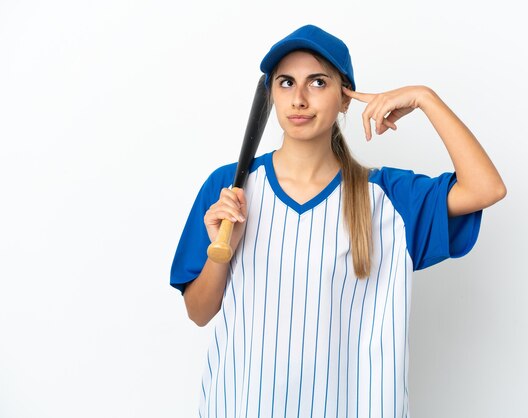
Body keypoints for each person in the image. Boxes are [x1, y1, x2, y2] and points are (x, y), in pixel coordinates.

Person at [170, 24, 505, 418]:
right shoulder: (230, 187)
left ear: (345, 98)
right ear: (271, 96)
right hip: (241, 405)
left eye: (317, 82)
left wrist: (425, 98)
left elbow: (487, 188)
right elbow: (199, 312)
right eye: (285, 82)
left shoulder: (387, 197)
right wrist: (221, 252)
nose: (298, 98)